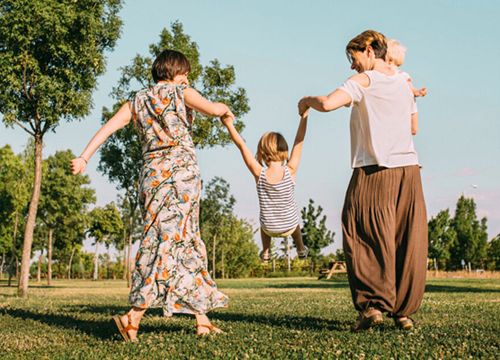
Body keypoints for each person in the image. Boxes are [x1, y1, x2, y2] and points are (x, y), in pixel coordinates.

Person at [71, 49, 232, 341]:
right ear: (174, 72)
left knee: (179, 240)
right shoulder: (182, 91)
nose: (187, 76)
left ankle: (202, 319)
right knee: (170, 243)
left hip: (152, 177)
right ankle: (132, 316)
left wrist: (84, 157)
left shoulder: (138, 99)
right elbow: (213, 108)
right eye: (185, 71)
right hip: (181, 177)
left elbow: (108, 128)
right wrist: (225, 110)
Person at [298, 30, 428, 331]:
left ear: (369, 50)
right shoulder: (403, 82)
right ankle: (404, 313)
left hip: (373, 170)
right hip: (408, 170)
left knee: (360, 230)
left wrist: (306, 101)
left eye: (352, 57)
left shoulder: (363, 82)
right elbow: (413, 127)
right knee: (406, 240)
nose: (351, 66)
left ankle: (372, 307)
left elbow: (329, 103)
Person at [221, 113, 309, 262]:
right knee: (294, 222)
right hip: (289, 226)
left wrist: (229, 124)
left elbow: (241, 146)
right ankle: (300, 247)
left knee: (264, 223)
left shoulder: (259, 173)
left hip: (269, 227)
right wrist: (304, 116)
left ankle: (266, 251)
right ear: (284, 151)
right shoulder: (291, 169)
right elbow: (299, 142)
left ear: (261, 152)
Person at [386, 39, 427, 135]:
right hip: (399, 104)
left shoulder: (402, 75)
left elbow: (412, 89)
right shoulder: (386, 74)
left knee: (413, 113)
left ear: (390, 59)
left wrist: (418, 92)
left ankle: (413, 128)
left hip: (407, 103)